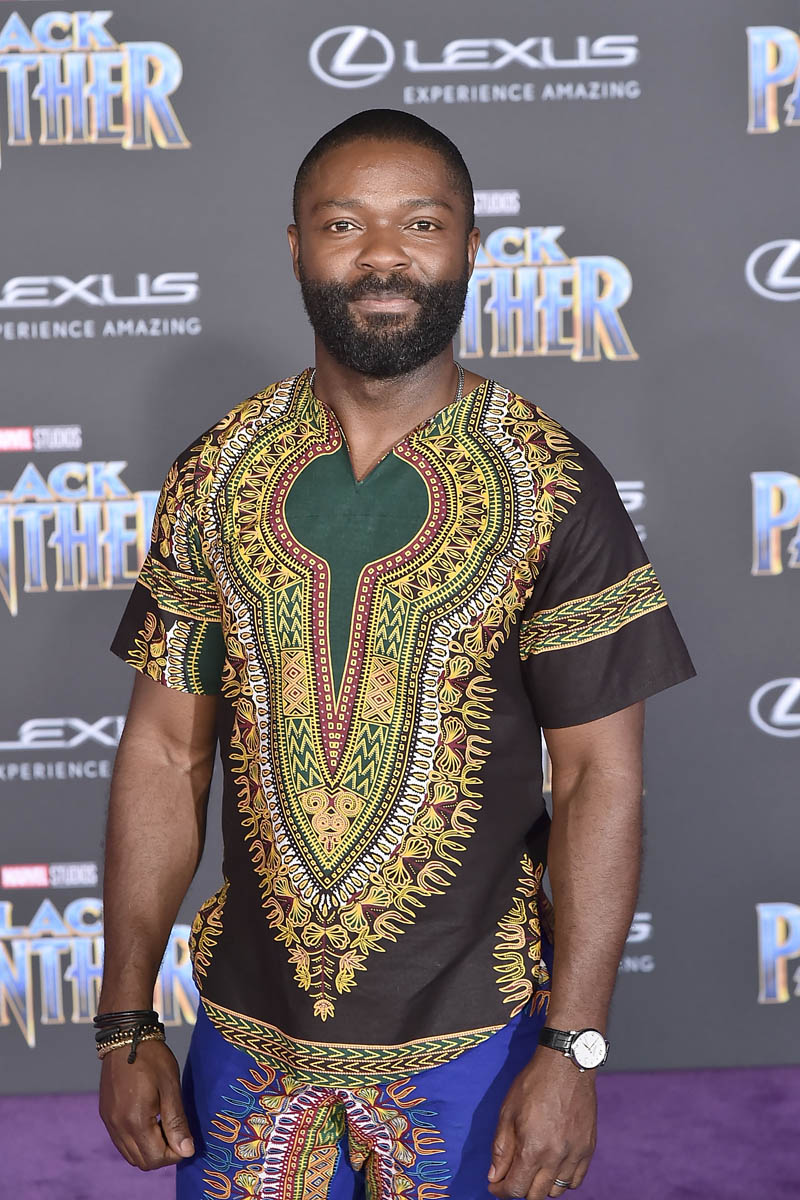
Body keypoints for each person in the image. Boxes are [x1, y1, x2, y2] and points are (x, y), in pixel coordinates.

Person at [97, 108, 695, 1200]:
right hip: (246, 1037)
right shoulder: (216, 471)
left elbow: (597, 778)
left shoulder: (552, 482)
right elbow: (162, 755)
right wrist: (125, 1016)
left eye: (421, 223)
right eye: (344, 224)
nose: (383, 255)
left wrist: (572, 1050)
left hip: (477, 1039)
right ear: (296, 248)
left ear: (470, 248)